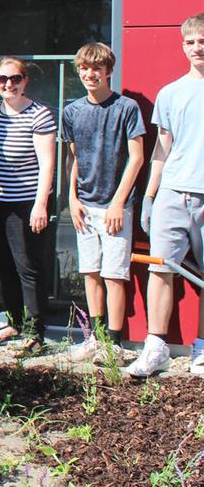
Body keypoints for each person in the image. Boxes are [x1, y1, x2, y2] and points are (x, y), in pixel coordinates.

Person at [0, 57, 56, 356]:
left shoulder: (40, 115)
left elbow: (47, 165)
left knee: (27, 266)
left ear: (25, 80)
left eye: (15, 79)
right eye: (2, 79)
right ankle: (14, 321)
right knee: (3, 264)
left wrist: (40, 204)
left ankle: (35, 332)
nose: (9, 84)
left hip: (25, 204)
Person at [131, 13, 204, 378]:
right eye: (190, 41)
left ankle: (202, 351)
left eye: (202, 40)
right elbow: (162, 148)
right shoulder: (171, 93)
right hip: (173, 194)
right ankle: (155, 349)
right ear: (183, 47)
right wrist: (150, 196)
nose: (197, 47)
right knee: (160, 270)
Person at [62, 42, 144, 364]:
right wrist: (72, 199)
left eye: (96, 68)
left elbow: (136, 158)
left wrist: (117, 203)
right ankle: (94, 340)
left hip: (115, 207)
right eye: (84, 68)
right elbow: (74, 159)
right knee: (91, 273)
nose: (89, 74)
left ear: (109, 71)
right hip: (85, 206)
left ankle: (115, 344)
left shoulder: (127, 108)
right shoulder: (72, 111)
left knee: (114, 275)